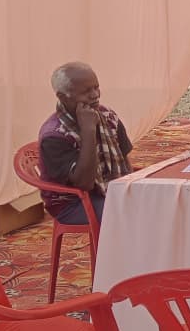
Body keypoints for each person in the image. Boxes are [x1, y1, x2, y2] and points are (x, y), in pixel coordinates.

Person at [38, 62, 133, 224]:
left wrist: (129, 190)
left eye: (96, 87)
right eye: (86, 91)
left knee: (154, 204)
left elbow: (125, 161)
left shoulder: (108, 116)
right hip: (72, 203)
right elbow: (85, 183)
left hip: (110, 190)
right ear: (63, 97)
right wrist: (88, 131)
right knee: (131, 214)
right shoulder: (54, 135)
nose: (95, 95)